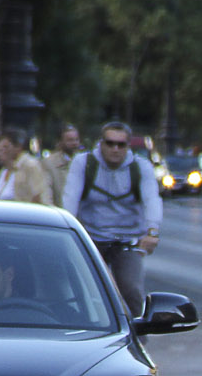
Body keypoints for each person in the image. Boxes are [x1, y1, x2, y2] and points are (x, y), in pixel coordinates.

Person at [61, 121, 162, 316]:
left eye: (121, 144)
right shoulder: (84, 163)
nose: (115, 149)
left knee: (131, 290)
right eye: (109, 143)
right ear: (101, 143)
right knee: (85, 291)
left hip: (127, 239)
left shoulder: (141, 167)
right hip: (92, 237)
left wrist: (152, 232)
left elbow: (152, 199)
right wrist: (68, 230)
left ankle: (138, 337)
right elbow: (70, 198)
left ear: (128, 146)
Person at [0, 127, 54, 205]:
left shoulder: (30, 165)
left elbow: (39, 196)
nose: (0, 153)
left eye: (5, 147)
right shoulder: (4, 171)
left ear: (18, 147)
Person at [43, 124, 84, 203]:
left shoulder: (85, 161)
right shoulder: (49, 164)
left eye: (76, 140)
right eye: (70, 140)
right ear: (60, 142)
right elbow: (47, 194)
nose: (75, 143)